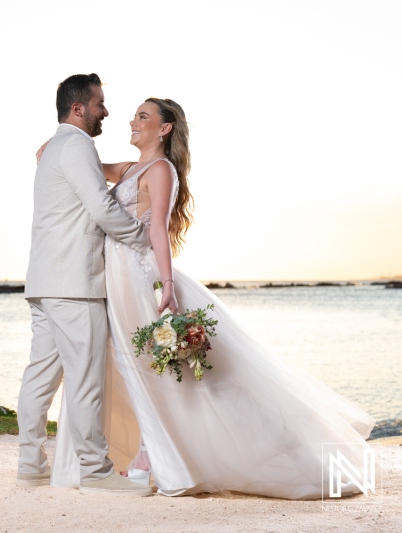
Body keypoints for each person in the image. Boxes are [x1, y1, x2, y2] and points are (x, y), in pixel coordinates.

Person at [42, 97, 376, 499]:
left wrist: (166, 284)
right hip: (113, 275)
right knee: (125, 365)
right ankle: (129, 454)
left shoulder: (161, 170)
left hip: (137, 276)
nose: (132, 121)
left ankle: (153, 456)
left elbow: (158, 231)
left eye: (142, 116)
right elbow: (87, 166)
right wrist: (54, 149)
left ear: (163, 129)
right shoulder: (132, 169)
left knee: (148, 366)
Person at [17, 74, 153, 496]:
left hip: (44, 281)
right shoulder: (76, 146)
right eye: (100, 103)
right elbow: (99, 207)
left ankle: (29, 464)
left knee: (40, 376)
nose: (106, 111)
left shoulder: (58, 146)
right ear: (79, 108)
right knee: (85, 379)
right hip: (75, 283)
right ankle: (94, 471)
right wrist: (142, 237)